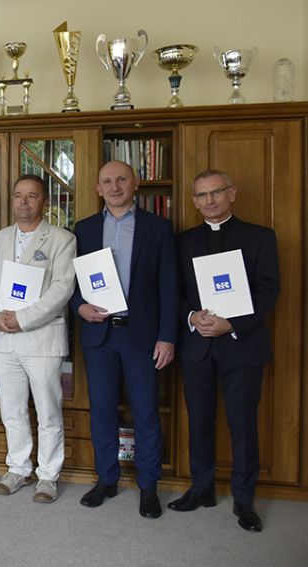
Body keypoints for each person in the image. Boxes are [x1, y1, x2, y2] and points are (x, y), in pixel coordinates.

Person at [168, 170, 280, 532]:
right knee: (199, 421)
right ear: (194, 201)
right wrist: (191, 317)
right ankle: (201, 489)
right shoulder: (182, 242)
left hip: (242, 346)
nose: (209, 200)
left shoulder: (260, 237)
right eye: (201, 195)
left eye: (215, 192)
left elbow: (268, 290)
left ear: (232, 193)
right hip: (196, 346)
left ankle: (244, 499)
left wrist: (231, 323)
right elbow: (174, 291)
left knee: (243, 424)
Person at [70, 160, 178, 519]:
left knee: (146, 412)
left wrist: (167, 337)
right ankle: (107, 479)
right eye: (107, 181)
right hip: (99, 336)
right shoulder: (84, 229)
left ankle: (149, 486)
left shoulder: (158, 228)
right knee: (102, 410)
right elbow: (70, 283)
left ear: (135, 184)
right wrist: (80, 306)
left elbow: (169, 286)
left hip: (141, 335)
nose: (114, 187)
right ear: (98, 188)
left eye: (121, 180)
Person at [0, 175, 76, 503]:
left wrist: (22, 319)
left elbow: (62, 288)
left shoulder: (62, 239)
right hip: (4, 340)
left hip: (41, 339)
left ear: (45, 202)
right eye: (18, 195)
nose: (23, 202)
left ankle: (48, 476)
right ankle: (18, 468)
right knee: (11, 410)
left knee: (48, 411)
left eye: (32, 196)